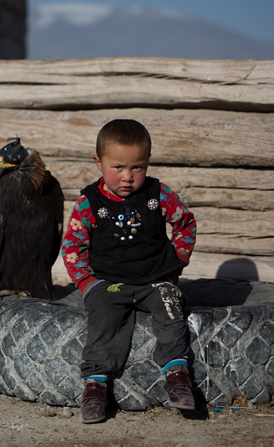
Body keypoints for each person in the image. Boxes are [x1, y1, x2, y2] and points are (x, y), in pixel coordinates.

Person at [61, 119, 197, 424]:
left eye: (137, 167)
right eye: (118, 167)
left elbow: (185, 222)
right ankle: (95, 385)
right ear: (99, 162)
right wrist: (86, 282)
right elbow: (73, 244)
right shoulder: (89, 203)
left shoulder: (157, 195)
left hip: (155, 278)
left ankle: (177, 376)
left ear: (147, 162)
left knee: (170, 311)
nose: (127, 177)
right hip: (108, 281)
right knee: (103, 318)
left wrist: (176, 264)